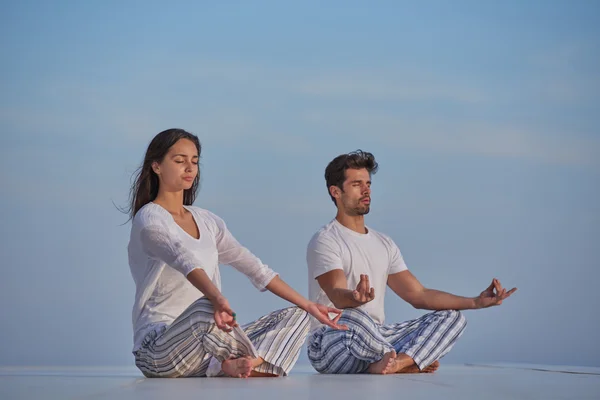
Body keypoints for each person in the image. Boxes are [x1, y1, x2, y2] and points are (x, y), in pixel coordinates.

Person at [126, 128, 346, 379]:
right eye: (179, 161)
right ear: (156, 166)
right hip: (158, 349)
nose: (189, 167)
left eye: (194, 161)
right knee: (205, 309)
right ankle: (230, 363)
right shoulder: (149, 219)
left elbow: (254, 267)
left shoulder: (207, 221)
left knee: (298, 315)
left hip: (208, 345)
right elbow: (181, 258)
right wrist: (216, 298)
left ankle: (229, 364)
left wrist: (309, 305)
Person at [306, 150, 517, 375]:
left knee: (452, 317)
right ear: (336, 191)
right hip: (333, 340)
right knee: (353, 317)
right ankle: (412, 359)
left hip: (376, 338)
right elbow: (337, 294)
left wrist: (475, 302)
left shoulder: (384, 243)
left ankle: (397, 363)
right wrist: (354, 298)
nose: (366, 189)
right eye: (357, 184)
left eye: (368, 183)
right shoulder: (326, 239)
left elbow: (419, 295)